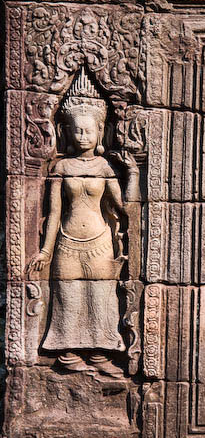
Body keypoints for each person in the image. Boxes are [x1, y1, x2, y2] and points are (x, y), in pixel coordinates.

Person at [28, 68, 139, 378]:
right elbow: (53, 214)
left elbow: (125, 209)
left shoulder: (105, 168)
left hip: (100, 242)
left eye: (89, 131)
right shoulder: (62, 167)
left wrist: (133, 175)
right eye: (77, 131)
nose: (83, 137)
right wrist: (45, 252)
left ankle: (101, 353)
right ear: (67, 132)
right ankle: (67, 353)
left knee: (101, 300)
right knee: (68, 300)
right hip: (66, 242)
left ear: (100, 132)